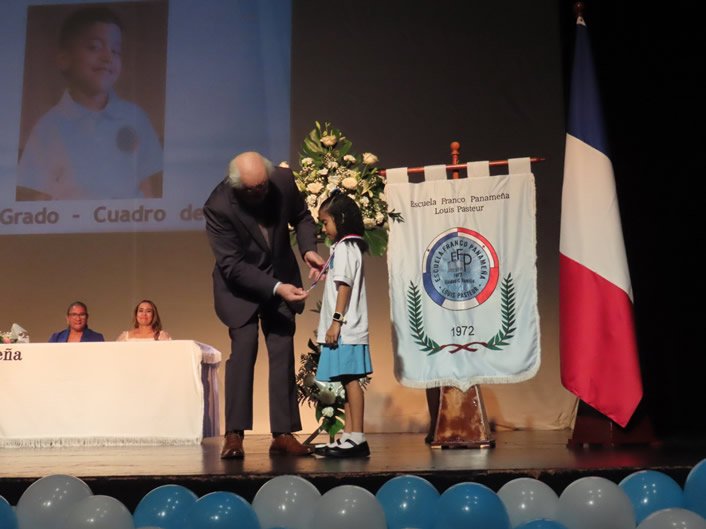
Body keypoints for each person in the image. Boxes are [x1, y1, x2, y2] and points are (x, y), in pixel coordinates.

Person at [203, 151, 326, 459]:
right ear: (237, 186)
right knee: (243, 353)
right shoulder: (218, 206)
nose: (260, 192)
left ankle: (283, 434)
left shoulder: (282, 181)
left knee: (283, 352)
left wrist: (308, 250)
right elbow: (232, 265)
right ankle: (234, 434)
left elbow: (301, 216)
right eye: (253, 189)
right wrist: (275, 288)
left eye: (263, 185)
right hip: (240, 288)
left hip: (281, 275)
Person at [16, 6, 163, 201]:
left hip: (127, 219)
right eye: (94, 47)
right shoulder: (49, 126)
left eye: (116, 51)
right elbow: (38, 196)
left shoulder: (135, 117)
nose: (107, 57)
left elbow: (147, 185)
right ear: (64, 59)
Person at [313, 191, 373, 458]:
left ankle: (358, 437)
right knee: (347, 381)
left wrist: (336, 323)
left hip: (347, 329)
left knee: (351, 381)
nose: (323, 229)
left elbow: (345, 287)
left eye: (325, 222)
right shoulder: (343, 248)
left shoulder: (347, 247)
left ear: (340, 220)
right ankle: (349, 435)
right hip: (346, 329)